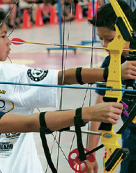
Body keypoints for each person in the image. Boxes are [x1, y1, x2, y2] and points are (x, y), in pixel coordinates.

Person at [0, 8, 136, 173]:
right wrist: (110, 72)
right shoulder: (11, 74)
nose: (10, 41)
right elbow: (64, 76)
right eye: (3, 35)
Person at [86, 1, 136, 173]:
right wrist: (90, 153)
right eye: (101, 39)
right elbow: (99, 110)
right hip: (132, 145)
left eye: (110, 39)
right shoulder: (110, 64)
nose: (104, 45)